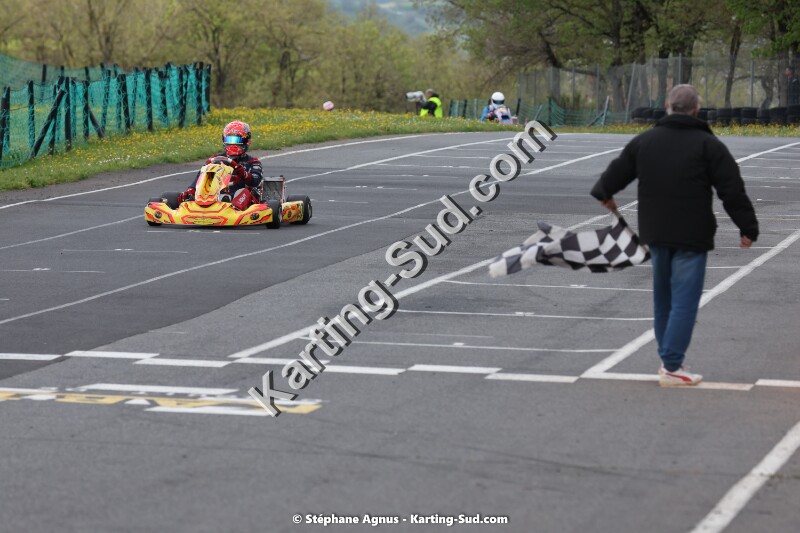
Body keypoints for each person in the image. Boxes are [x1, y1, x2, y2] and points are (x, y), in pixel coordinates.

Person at [590, 84, 759, 387]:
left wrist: (604, 192)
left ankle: (669, 360)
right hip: (692, 235)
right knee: (684, 301)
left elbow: (615, 174)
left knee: (663, 300)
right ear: (697, 109)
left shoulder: (645, 141)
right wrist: (748, 228)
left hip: (656, 232)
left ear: (667, 106)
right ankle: (671, 364)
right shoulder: (709, 145)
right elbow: (732, 189)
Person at [178, 120, 263, 207]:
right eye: (229, 140)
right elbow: (201, 175)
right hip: (217, 196)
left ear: (246, 141)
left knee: (243, 192)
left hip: (244, 200)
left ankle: (234, 209)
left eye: (237, 140)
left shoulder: (253, 161)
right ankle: (201, 203)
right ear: (224, 139)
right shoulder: (215, 159)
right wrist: (191, 189)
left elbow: (255, 181)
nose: (233, 144)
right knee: (204, 179)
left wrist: (241, 171)